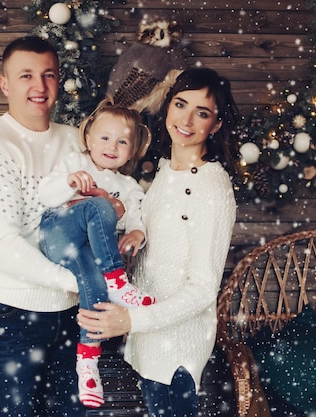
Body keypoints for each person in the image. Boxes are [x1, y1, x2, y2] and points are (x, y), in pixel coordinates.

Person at [0, 36, 121, 416]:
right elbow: (1, 244)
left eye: (48, 75)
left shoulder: (75, 140)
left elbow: (102, 205)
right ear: (5, 84)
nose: (39, 86)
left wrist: (119, 212)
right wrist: (80, 282)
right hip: (14, 314)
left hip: (72, 314)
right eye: (26, 75)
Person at [76, 67, 240, 417]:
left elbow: (202, 289)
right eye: (181, 104)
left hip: (177, 350)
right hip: (149, 343)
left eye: (203, 112)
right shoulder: (166, 170)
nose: (187, 119)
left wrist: (131, 321)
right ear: (167, 106)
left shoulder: (212, 188)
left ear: (216, 125)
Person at [37, 97, 155, 408]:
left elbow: (137, 217)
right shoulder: (76, 163)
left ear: (132, 150)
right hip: (58, 234)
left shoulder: (128, 185)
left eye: (122, 141)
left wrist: (136, 233)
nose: (112, 146)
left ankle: (87, 364)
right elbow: (45, 194)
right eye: (104, 137)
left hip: (87, 252)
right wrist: (68, 182)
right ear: (88, 138)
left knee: (95, 285)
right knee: (100, 206)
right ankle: (118, 281)